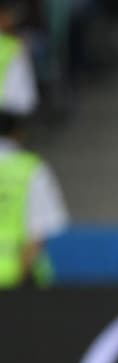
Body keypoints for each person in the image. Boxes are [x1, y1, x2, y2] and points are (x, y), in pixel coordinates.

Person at [0, 111, 69, 289]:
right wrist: (21, 281)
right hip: (17, 276)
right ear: (18, 133)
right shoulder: (31, 169)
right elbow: (37, 232)